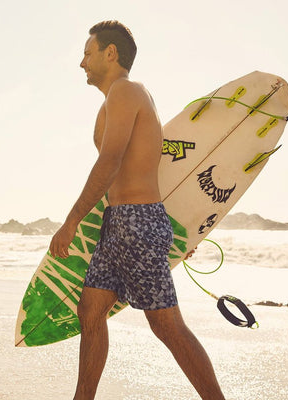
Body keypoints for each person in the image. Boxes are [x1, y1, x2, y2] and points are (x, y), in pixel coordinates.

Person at [49, 20, 225, 400]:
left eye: (88, 53)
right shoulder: (116, 99)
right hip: (119, 223)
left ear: (110, 53)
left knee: (166, 326)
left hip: (137, 222)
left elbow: (111, 162)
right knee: (90, 311)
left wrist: (72, 221)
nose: (82, 62)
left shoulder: (126, 92)